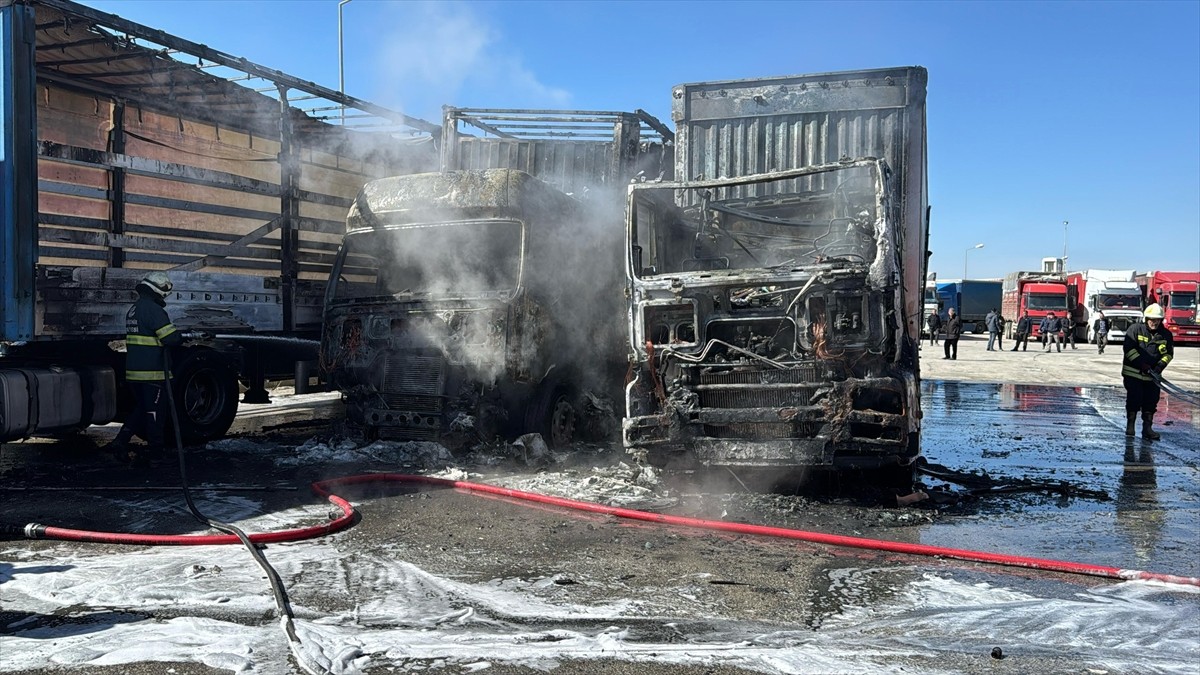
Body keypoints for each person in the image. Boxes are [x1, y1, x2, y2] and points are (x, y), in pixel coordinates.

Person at [104, 271, 183, 465]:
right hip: (152, 373)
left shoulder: (135, 308)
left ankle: (121, 441)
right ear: (161, 291)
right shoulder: (153, 310)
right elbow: (170, 338)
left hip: (135, 371)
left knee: (142, 409)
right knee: (155, 412)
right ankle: (156, 451)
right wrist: (183, 337)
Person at [1121, 304, 1174, 440]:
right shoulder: (1135, 330)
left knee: (1151, 401)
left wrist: (1159, 367)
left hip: (1153, 376)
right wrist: (1141, 365)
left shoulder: (1166, 335)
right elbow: (1129, 349)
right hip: (1133, 373)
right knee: (1134, 399)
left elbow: (1168, 354)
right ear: (1146, 318)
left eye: (1157, 319)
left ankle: (1147, 428)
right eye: (1151, 319)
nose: (1154, 322)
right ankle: (1130, 426)